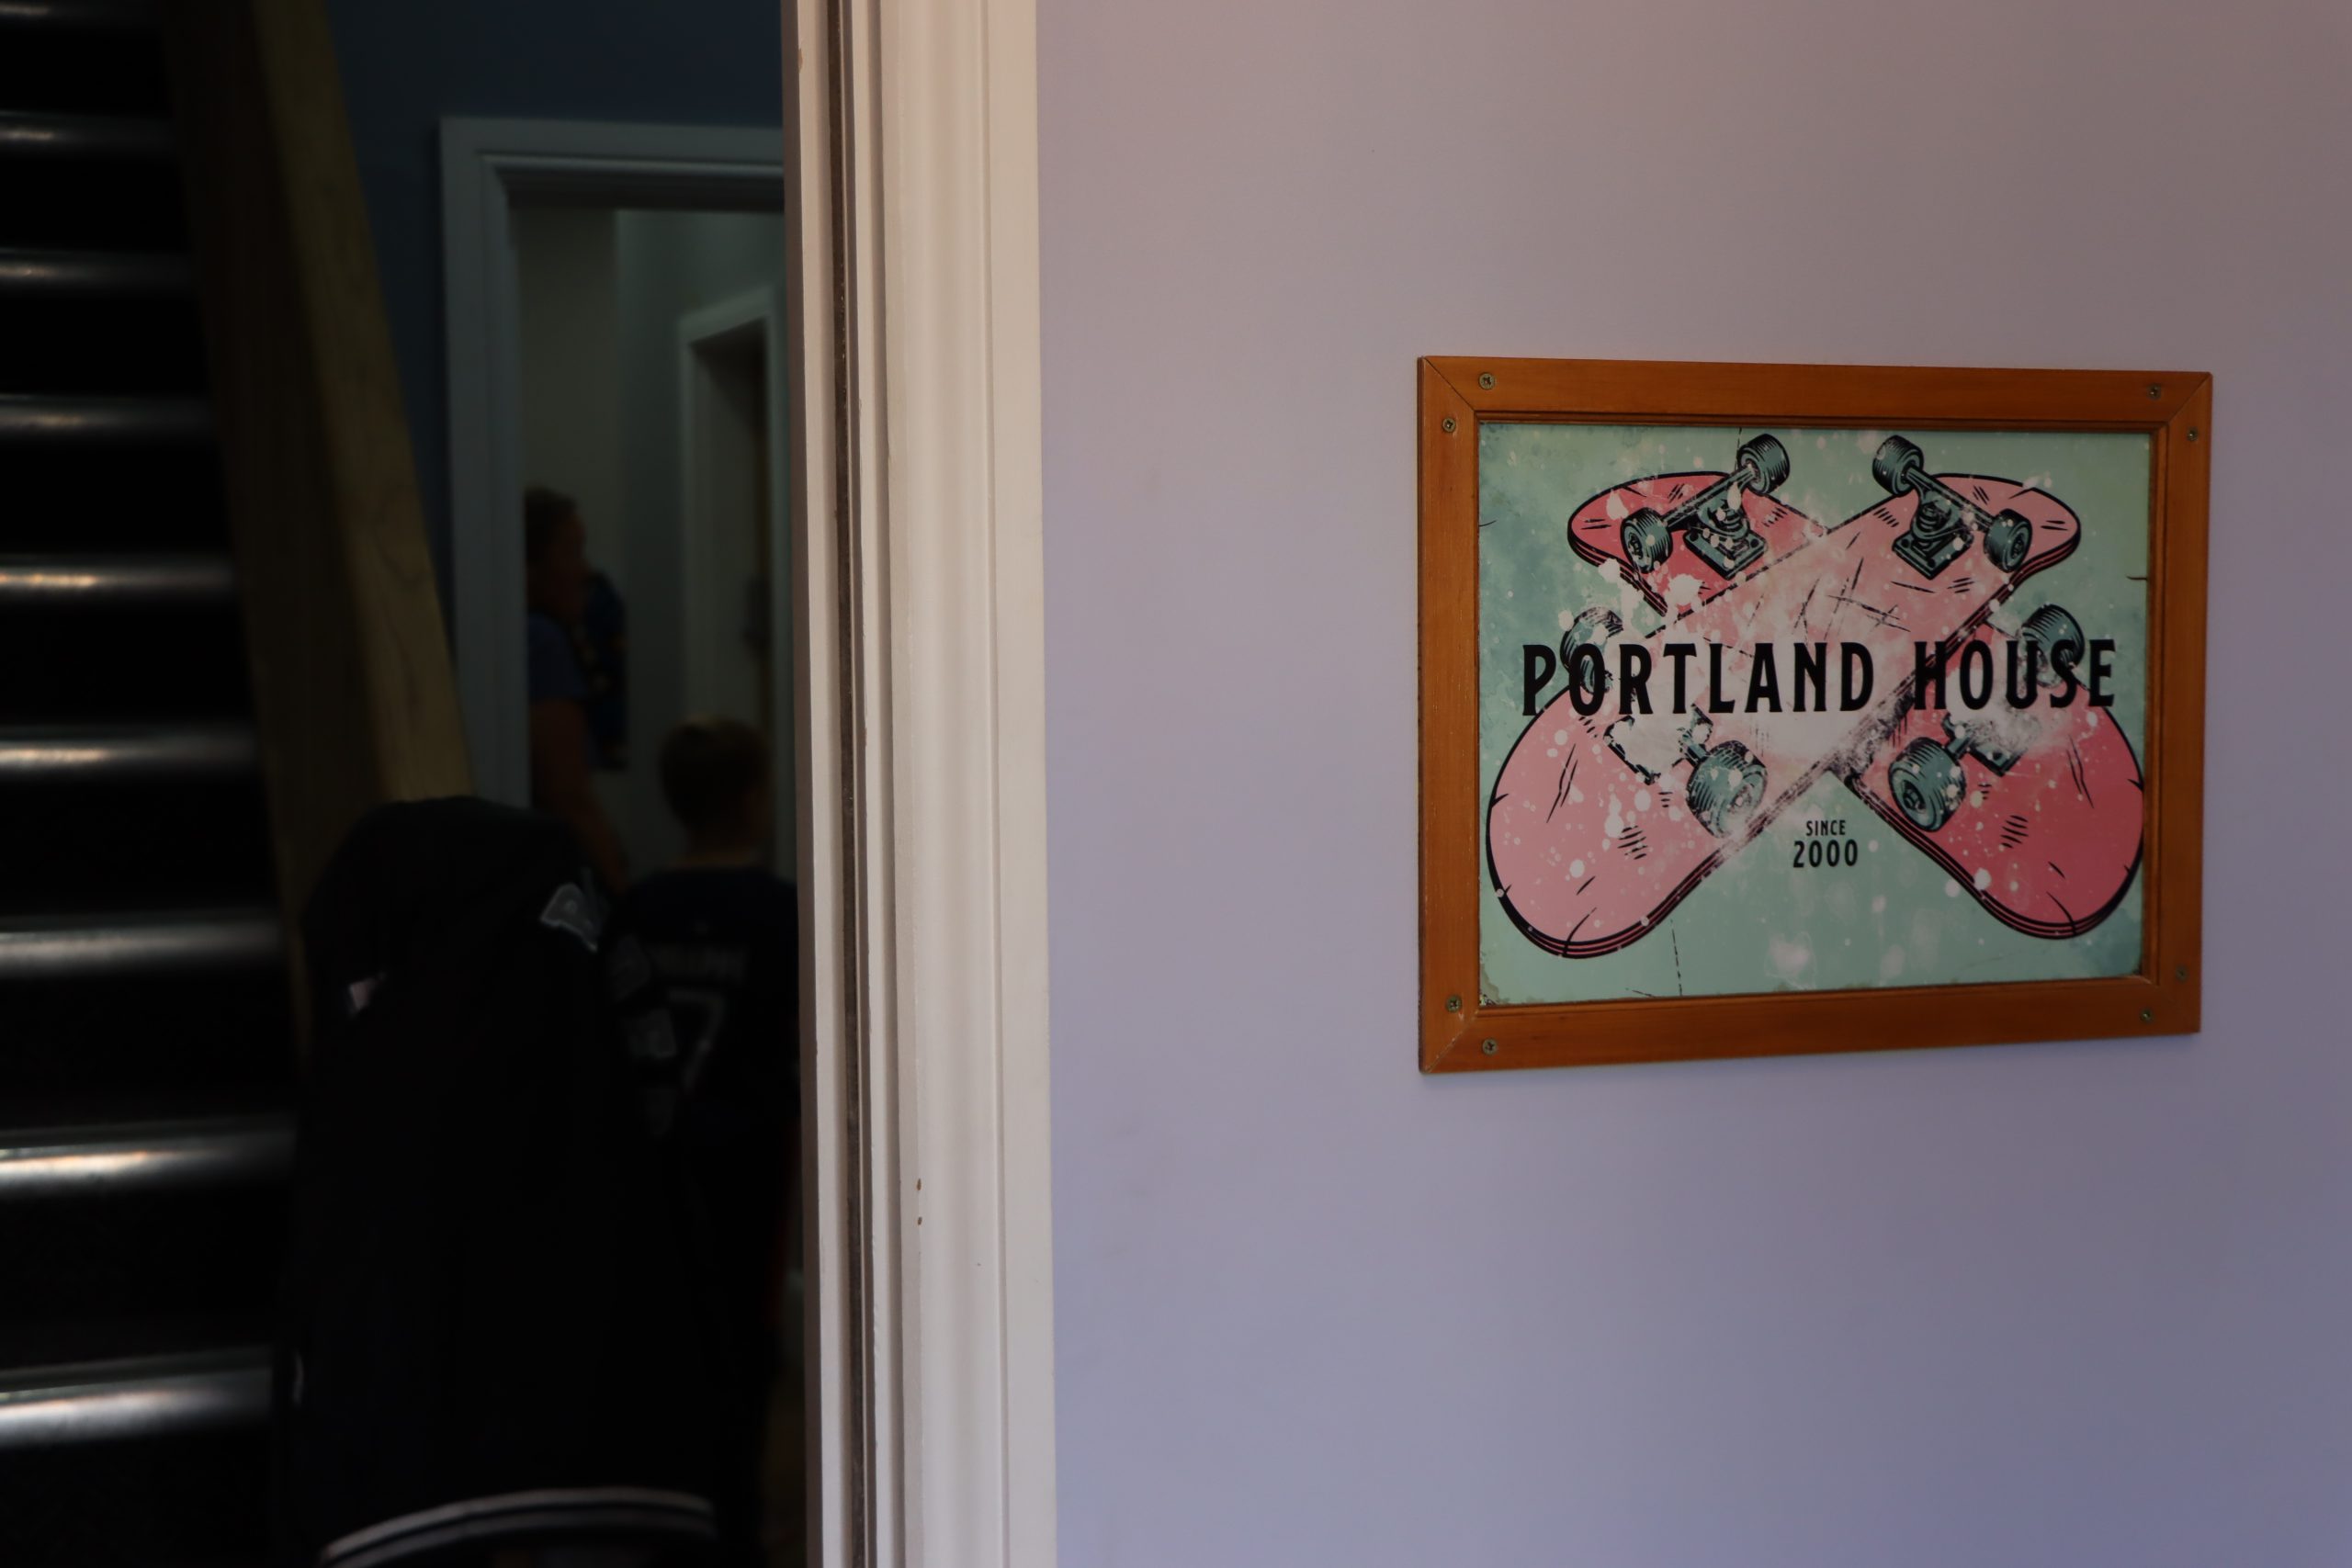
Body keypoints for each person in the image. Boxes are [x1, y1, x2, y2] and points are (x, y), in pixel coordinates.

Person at [621, 717, 800, 1568]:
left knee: (665, 1337)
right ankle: (737, 1519)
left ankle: (671, 1511)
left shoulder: (637, 909)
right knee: (744, 1344)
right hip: (749, 1161)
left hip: (656, 1160)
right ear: (755, 798)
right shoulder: (781, 912)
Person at [525, 486, 628, 892]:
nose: (586, 572)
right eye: (572, 552)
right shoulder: (540, 640)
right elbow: (567, 794)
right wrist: (623, 896)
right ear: (528, 565)